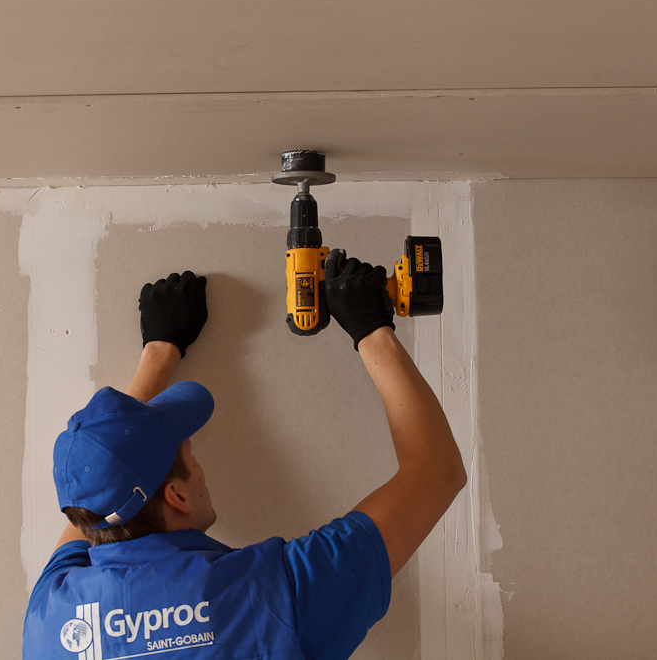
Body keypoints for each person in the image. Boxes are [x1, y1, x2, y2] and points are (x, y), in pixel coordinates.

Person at [23, 252, 466, 660]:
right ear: (177, 495)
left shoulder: (51, 620)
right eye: (190, 455)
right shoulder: (273, 597)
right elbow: (436, 472)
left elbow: (101, 500)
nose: (200, 470)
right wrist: (371, 329)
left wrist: (158, 353)